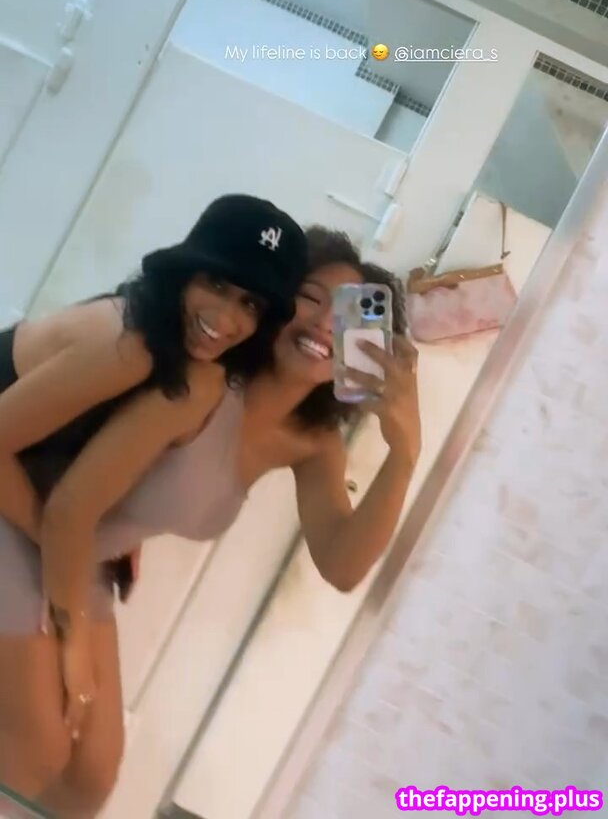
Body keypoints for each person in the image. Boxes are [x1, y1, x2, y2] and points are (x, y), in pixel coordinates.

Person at [3, 221, 420, 819]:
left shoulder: (313, 443)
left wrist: (404, 452)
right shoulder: (203, 383)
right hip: (28, 520)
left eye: (352, 315)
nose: (326, 324)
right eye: (310, 298)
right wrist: (71, 643)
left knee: (91, 778)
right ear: (273, 302)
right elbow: (69, 505)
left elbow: (343, 565)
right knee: (37, 751)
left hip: (76, 554)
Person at [0, 193, 308, 816]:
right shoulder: (129, 345)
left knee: (91, 775)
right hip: (20, 496)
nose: (226, 317)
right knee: (36, 753)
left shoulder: (195, 369)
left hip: (30, 495)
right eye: (215, 285)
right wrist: (60, 560)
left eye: (250, 304)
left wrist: (84, 540)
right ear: (183, 272)